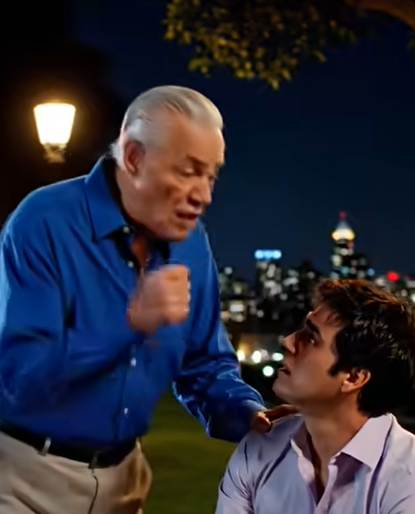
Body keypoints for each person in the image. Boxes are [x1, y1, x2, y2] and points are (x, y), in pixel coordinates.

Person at [0, 85, 286, 514]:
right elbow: (22, 377)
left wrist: (248, 414)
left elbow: (205, 365)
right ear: (133, 157)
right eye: (188, 171)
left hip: (126, 480)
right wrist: (129, 322)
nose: (204, 195)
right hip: (25, 477)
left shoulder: (192, 242)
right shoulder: (43, 221)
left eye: (211, 175)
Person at [215, 279, 415, 514]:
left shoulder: (406, 476)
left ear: (353, 377)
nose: (288, 341)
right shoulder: (259, 449)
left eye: (311, 337)